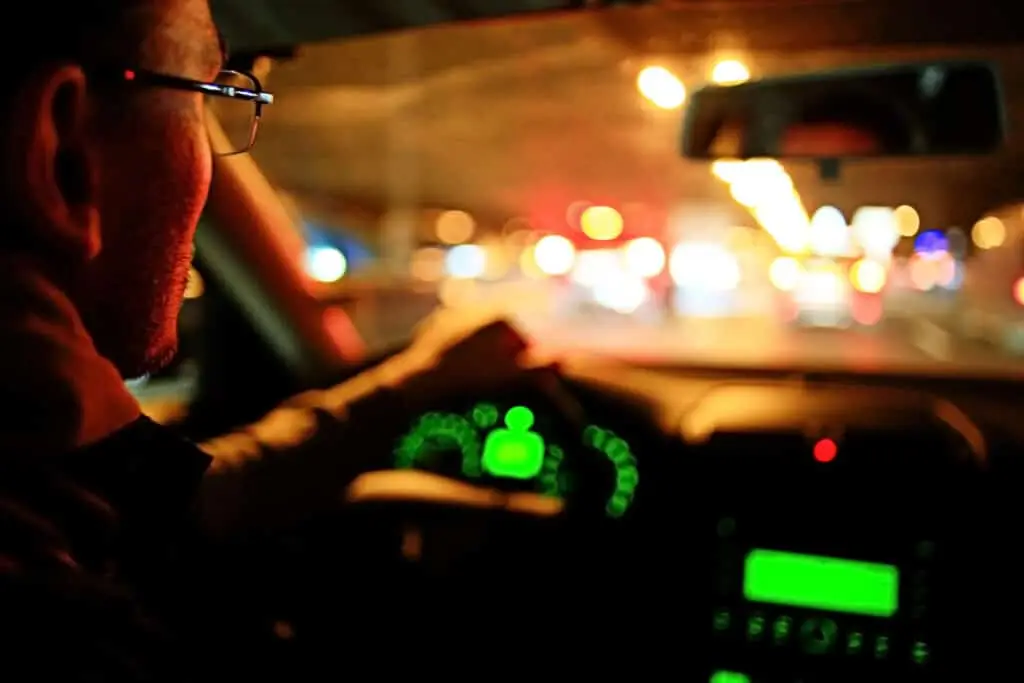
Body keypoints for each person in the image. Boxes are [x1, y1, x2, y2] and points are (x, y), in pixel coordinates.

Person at [0, 0, 556, 678]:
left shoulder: (55, 465)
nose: (207, 158)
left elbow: (193, 507)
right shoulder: (66, 618)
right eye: (205, 98)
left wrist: (415, 383)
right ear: (61, 156)